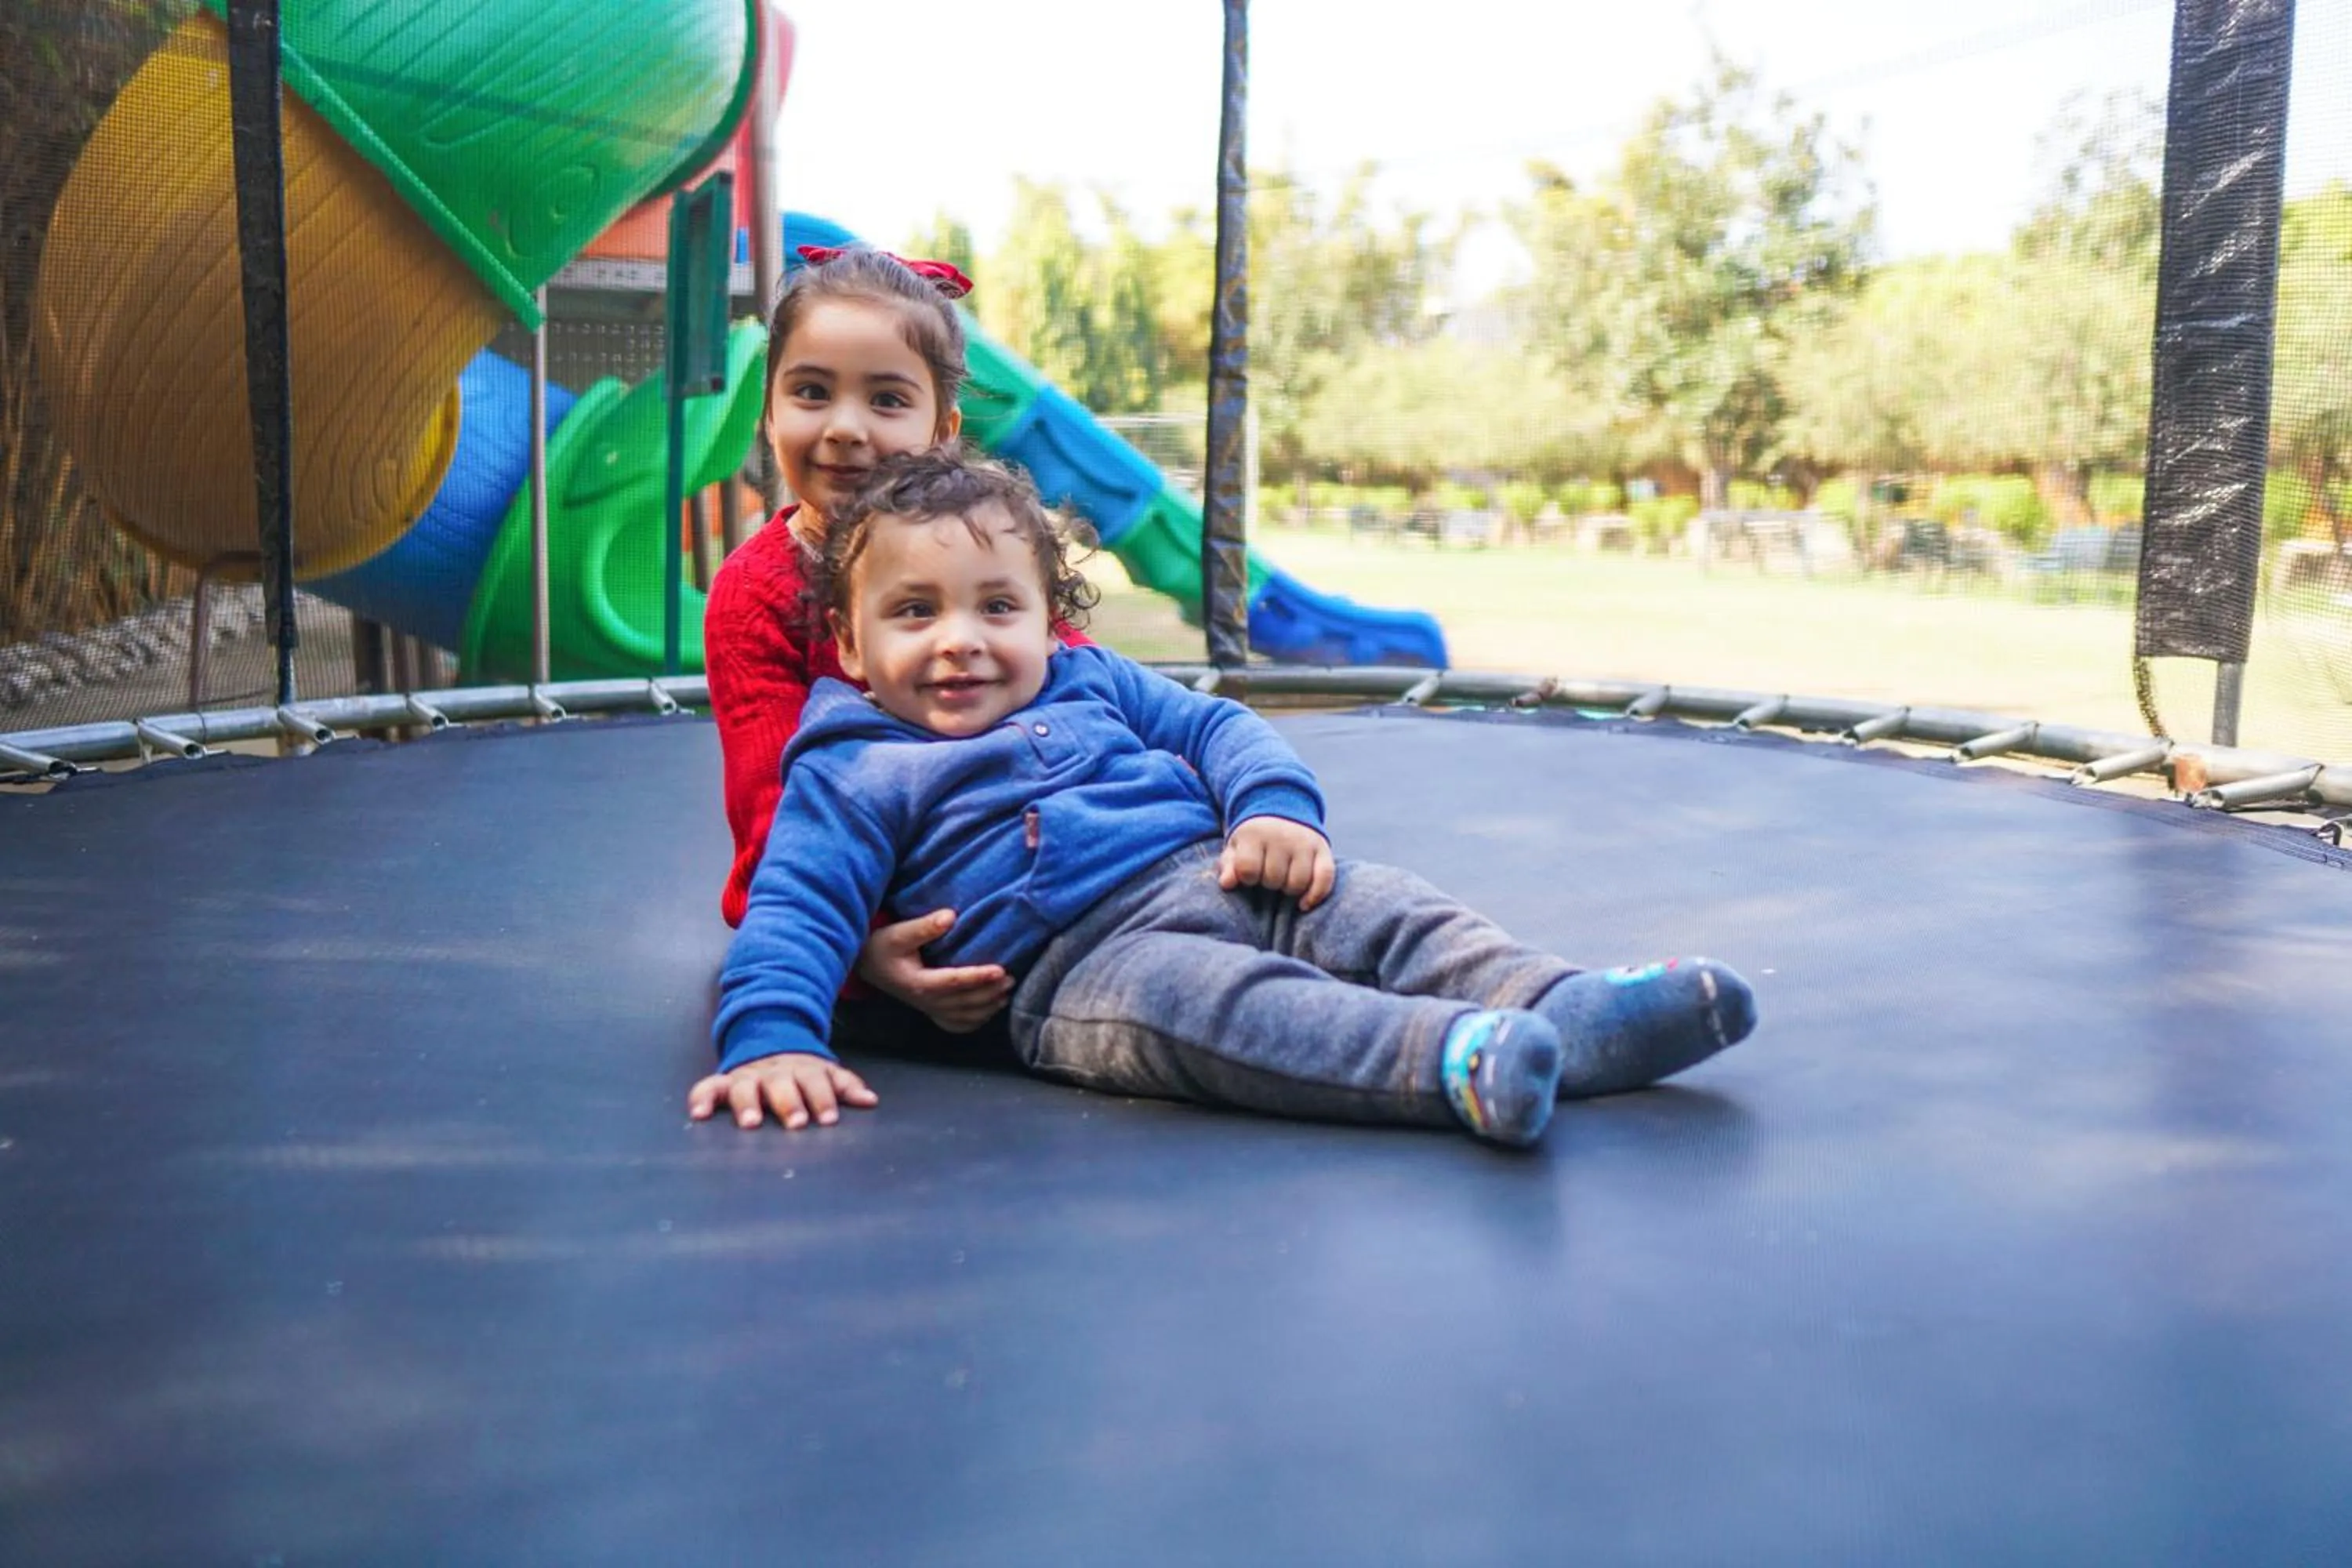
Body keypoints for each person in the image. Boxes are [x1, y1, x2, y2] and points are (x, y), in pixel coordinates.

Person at [688, 449, 1758, 1149]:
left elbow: (1215, 726)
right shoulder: (850, 764)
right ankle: (1448, 1060)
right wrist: (773, 1037)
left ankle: (1556, 999)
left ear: (1045, 617)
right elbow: (796, 909)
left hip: (1221, 866)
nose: (960, 638)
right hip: (1082, 967)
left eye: (996, 607)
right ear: (851, 645)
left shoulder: (1089, 675)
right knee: (1224, 1012)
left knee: (1388, 904)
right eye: (914, 612)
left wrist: (1273, 812)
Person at [704, 244, 1088, 1041]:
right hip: (888, 909)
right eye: (811, 392)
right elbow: (772, 808)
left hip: (1035, 864)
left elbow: (1083, 681)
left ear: (942, 430)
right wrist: (861, 947)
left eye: (886, 399)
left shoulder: (977, 543)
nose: (844, 429)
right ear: (768, 412)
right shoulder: (757, 591)